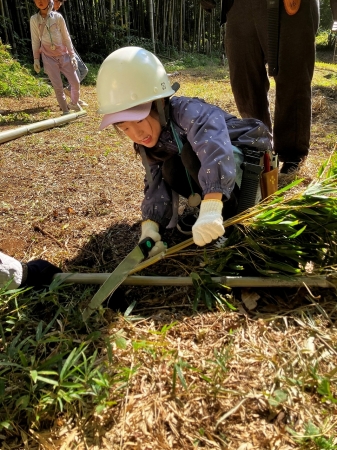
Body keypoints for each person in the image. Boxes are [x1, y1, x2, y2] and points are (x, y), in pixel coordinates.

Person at [96, 47, 272, 252]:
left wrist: (212, 204)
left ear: (160, 103)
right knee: (169, 168)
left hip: (247, 160)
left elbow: (213, 146)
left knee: (191, 154)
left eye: (139, 120)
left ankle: (229, 218)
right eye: (125, 128)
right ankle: (213, 213)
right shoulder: (148, 140)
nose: (136, 133)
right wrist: (151, 227)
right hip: (220, 175)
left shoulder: (189, 112)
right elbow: (155, 182)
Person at [202, 0, 320, 174]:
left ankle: (292, 156)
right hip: (238, 5)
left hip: (290, 6)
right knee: (243, 81)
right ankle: (259, 147)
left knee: (293, 77)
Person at [30, 0, 81, 115]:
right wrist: (36, 59)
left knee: (75, 82)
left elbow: (66, 37)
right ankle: (65, 111)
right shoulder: (34, 19)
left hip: (64, 55)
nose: (40, 1)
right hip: (48, 57)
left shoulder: (58, 17)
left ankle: (74, 103)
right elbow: (35, 40)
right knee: (58, 86)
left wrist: (72, 55)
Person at [53, 0, 88, 107]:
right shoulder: (43, 18)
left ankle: (69, 91)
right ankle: (74, 101)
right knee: (76, 74)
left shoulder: (57, 16)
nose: (59, 5)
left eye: (61, 3)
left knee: (83, 70)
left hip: (69, 46)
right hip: (62, 50)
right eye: (57, 2)